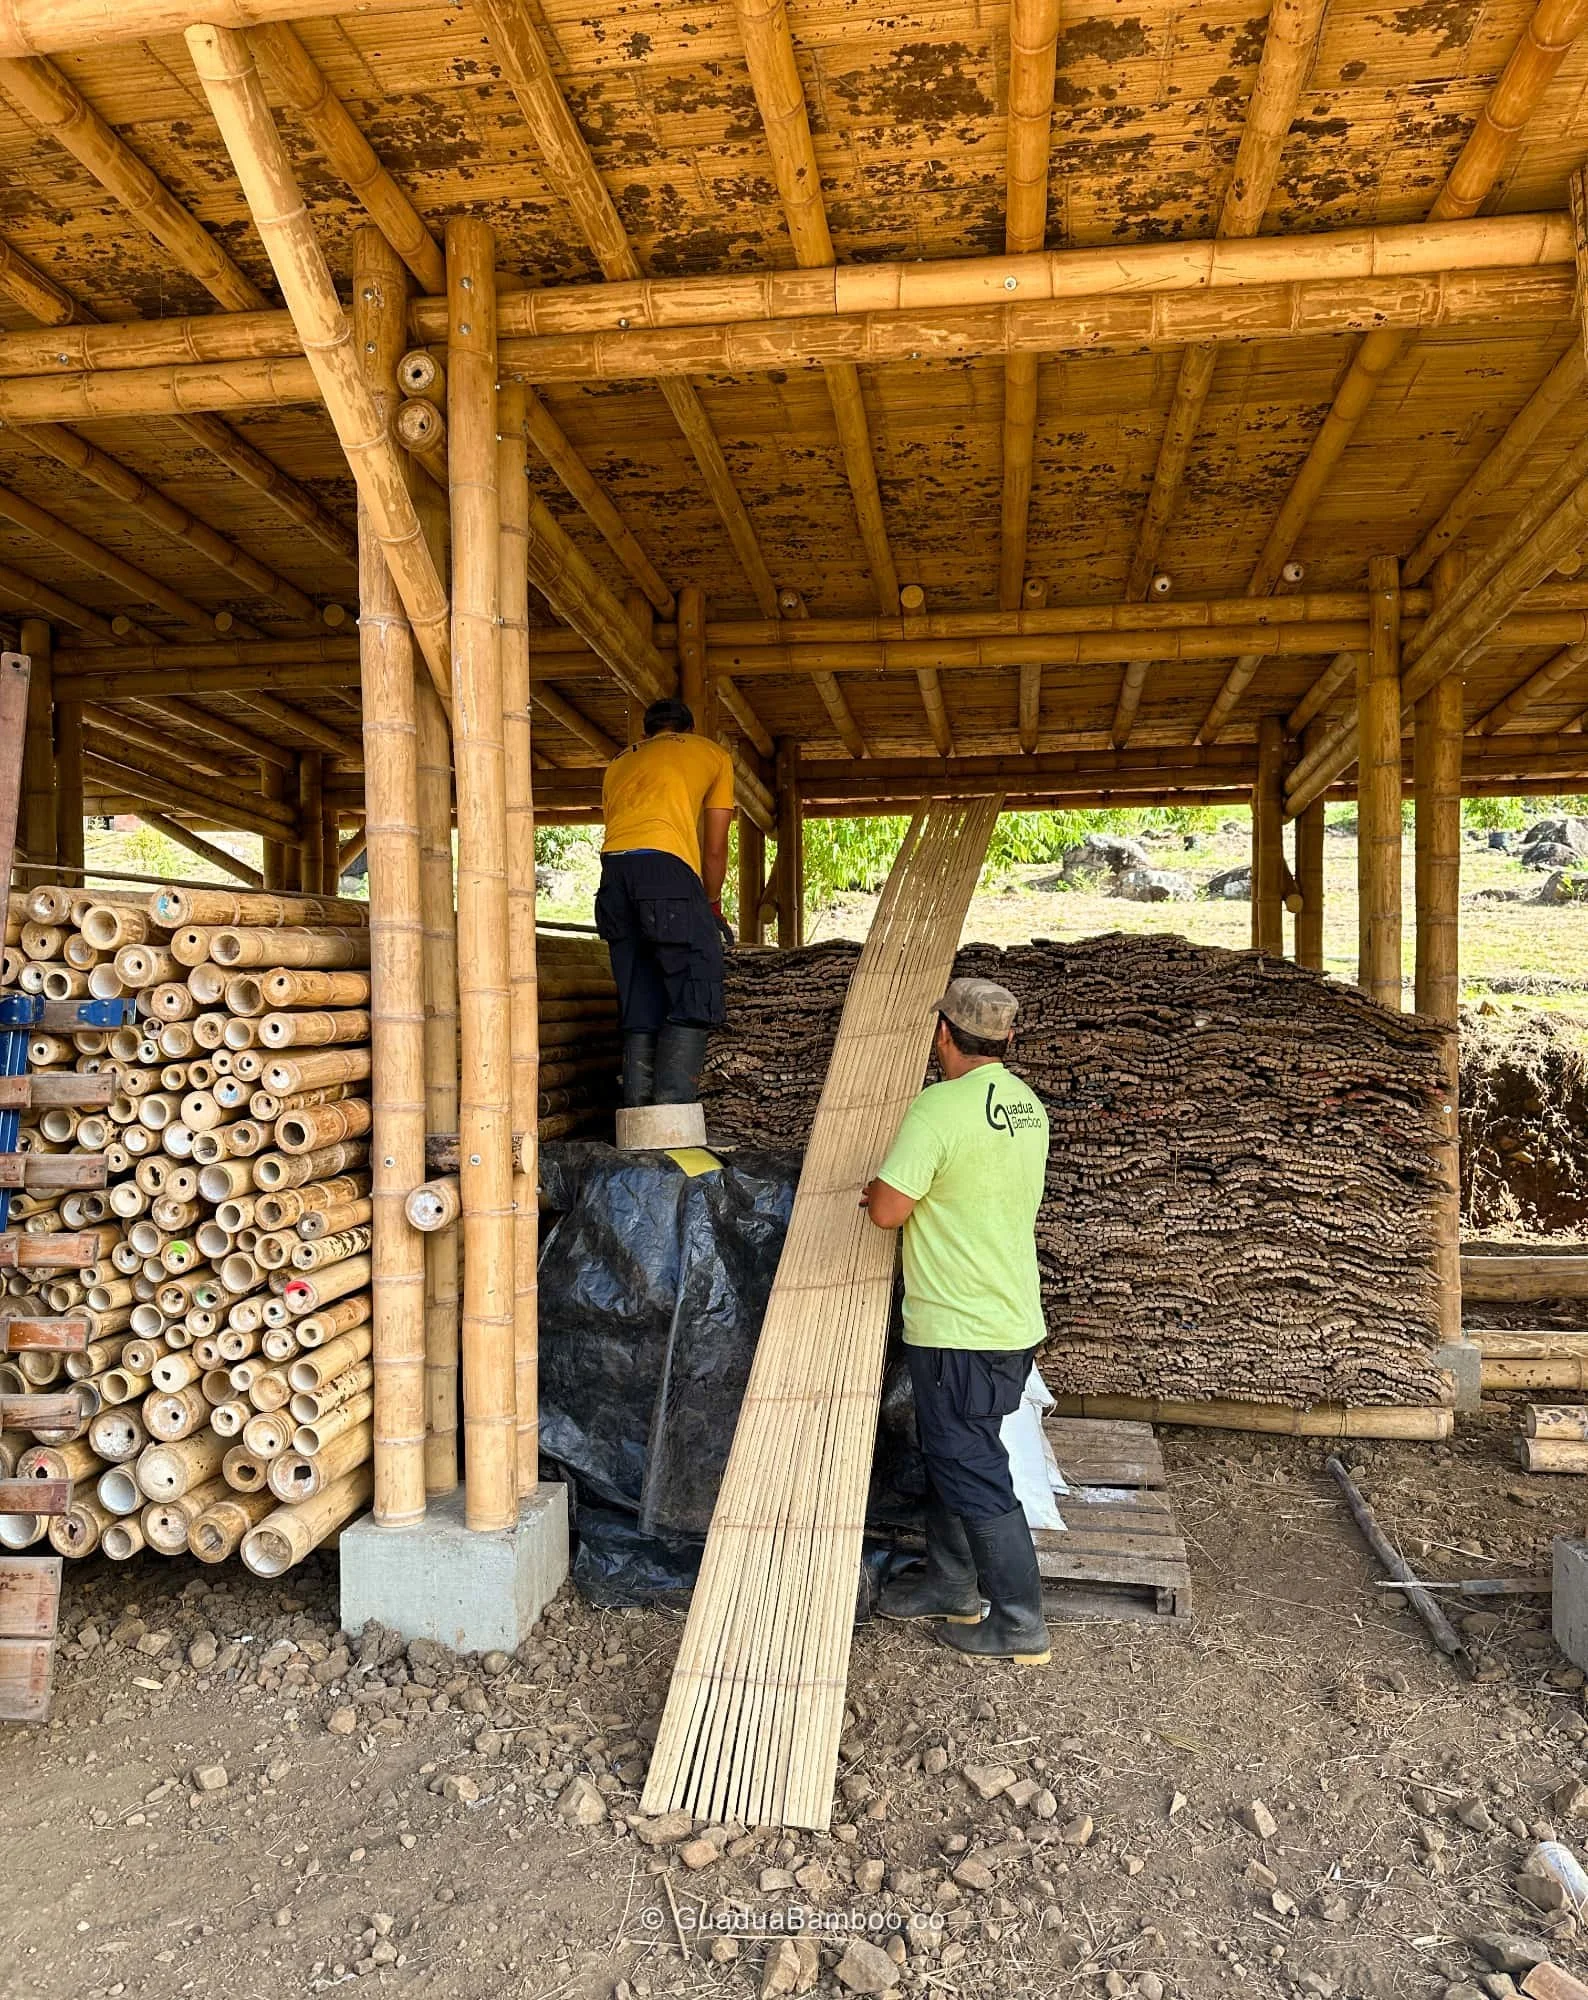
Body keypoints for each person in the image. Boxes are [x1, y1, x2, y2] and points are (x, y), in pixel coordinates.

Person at [860, 977, 1051, 1665]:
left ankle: (1021, 1622)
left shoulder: (938, 1110)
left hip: (959, 1326)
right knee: (955, 1454)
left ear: (943, 1034)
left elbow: (887, 1210)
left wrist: (877, 1190)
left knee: (970, 1465)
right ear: (1006, 1039)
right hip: (1009, 1316)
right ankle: (951, 1583)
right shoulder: (1027, 1106)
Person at [596, 697, 736, 1110]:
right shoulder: (711, 754)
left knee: (639, 988)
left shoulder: (620, 761)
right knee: (696, 981)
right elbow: (714, 850)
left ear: (646, 733)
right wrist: (710, 903)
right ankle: (671, 1121)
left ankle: (637, 1117)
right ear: (687, 731)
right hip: (667, 869)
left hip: (614, 873)